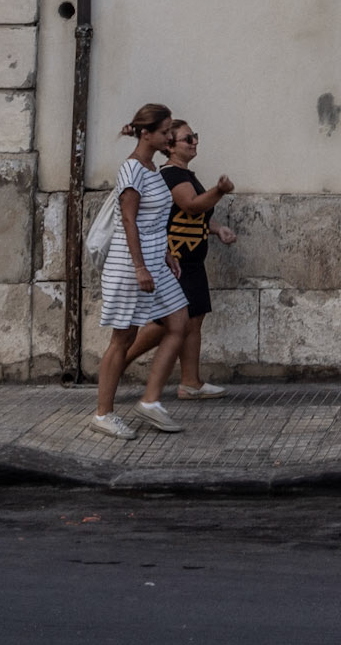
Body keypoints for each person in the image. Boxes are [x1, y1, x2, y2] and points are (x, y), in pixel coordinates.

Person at [92, 103, 191, 439]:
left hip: (155, 262)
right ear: (146, 133)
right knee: (122, 339)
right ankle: (103, 414)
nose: (169, 138)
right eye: (164, 132)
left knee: (179, 321)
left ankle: (150, 402)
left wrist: (165, 253)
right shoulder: (133, 169)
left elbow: (153, 220)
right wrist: (139, 267)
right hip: (129, 265)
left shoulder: (151, 167)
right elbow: (129, 219)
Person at [123, 120, 235, 399]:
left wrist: (216, 228)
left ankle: (190, 382)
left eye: (194, 136)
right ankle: (116, 363)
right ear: (170, 146)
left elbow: (189, 217)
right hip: (177, 261)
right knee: (166, 323)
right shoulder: (172, 175)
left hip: (190, 261)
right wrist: (219, 191)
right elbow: (191, 205)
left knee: (193, 320)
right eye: (188, 139)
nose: (194, 142)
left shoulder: (183, 174)